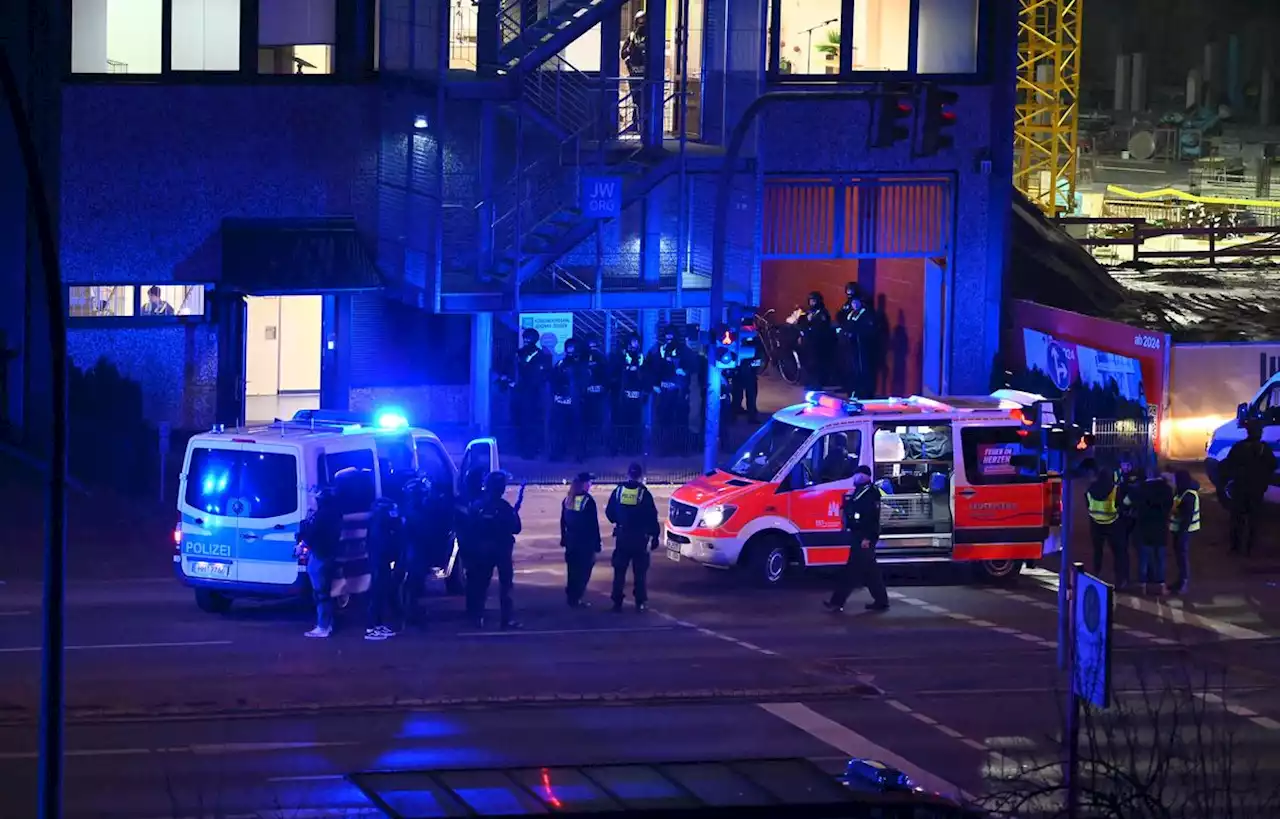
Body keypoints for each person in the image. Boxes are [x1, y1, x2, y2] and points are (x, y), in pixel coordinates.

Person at [466, 471, 525, 629]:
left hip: (482, 551)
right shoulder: (504, 507)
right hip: (501, 551)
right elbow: (516, 528)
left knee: (481, 585)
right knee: (505, 586)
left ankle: (477, 617)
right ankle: (506, 619)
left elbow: (470, 527)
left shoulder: (477, 505)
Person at [825, 465, 888, 612]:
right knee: (871, 572)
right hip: (859, 535)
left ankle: (837, 602)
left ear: (866, 476)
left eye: (858, 474)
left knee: (852, 571)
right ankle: (881, 601)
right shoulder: (860, 492)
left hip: (864, 536)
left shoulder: (871, 493)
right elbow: (852, 508)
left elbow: (872, 518)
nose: (855, 477)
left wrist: (867, 537)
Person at [606, 462, 660, 612]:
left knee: (619, 571)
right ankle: (640, 602)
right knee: (640, 572)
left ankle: (617, 602)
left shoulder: (618, 491)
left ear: (628, 474)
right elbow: (652, 516)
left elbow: (609, 512)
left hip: (623, 536)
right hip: (639, 538)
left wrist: (619, 521)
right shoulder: (644, 493)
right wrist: (655, 536)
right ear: (640, 476)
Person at [1221, 423, 1276, 555]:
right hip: (1256, 489)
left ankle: (1236, 547)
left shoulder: (1238, 447)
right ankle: (1250, 548)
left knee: (1237, 519)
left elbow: (1228, 465)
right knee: (1254, 519)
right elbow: (1272, 465)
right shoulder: (1265, 449)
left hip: (1240, 487)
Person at [298, 486, 343, 638]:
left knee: (320, 592)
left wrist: (301, 544)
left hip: (320, 555)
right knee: (325, 591)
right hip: (329, 554)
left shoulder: (322, 515)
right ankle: (327, 624)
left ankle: (323, 626)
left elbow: (312, 534)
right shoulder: (335, 513)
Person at [1124, 467, 1174, 596]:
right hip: (1160, 529)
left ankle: (1143, 586)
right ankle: (1161, 586)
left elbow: (1126, 502)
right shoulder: (1167, 490)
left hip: (1143, 528)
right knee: (1160, 559)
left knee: (1143, 559)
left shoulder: (1140, 489)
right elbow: (1170, 507)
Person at [505, 327, 551, 459]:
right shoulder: (537, 354)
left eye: (527, 338)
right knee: (528, 422)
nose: (526, 340)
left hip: (526, 394)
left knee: (525, 422)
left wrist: (512, 382)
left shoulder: (528, 354)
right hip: (530, 394)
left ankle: (527, 450)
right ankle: (529, 449)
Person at [649, 326, 694, 455]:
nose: (668, 339)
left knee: (681, 421)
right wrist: (655, 384)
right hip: (664, 392)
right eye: (666, 336)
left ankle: (682, 449)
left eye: (671, 336)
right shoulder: (659, 350)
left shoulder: (684, 350)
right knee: (664, 421)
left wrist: (684, 371)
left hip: (679, 392)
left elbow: (692, 367)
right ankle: (663, 449)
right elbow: (654, 368)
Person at [1082, 459, 1127, 586]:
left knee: (1098, 551)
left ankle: (1097, 574)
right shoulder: (1115, 489)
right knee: (1118, 553)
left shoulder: (1090, 488)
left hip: (1096, 524)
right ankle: (1119, 579)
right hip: (1113, 524)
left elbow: (1088, 504)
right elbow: (1120, 506)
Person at [365, 493, 404, 640]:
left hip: (382, 563)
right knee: (377, 595)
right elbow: (385, 545)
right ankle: (371, 628)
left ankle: (378, 625)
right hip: (379, 563)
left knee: (380, 595)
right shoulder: (379, 526)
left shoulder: (380, 523)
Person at [560, 472, 602, 608]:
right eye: (589, 482)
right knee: (584, 571)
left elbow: (562, 521)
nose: (591, 485)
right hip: (584, 543)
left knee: (572, 570)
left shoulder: (568, 499)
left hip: (571, 541)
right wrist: (597, 543)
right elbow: (593, 524)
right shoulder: (588, 501)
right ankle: (577, 597)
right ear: (584, 484)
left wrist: (563, 538)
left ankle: (571, 597)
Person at [456, 467, 487, 622]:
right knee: (478, 580)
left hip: (469, 544)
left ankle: (473, 610)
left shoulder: (462, 498)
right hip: (477, 545)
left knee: (473, 579)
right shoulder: (481, 499)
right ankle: (476, 611)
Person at [835, 283, 877, 398]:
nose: (853, 304)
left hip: (861, 347)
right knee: (850, 368)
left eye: (855, 302)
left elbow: (867, 330)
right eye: (852, 303)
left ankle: (863, 392)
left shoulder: (866, 314)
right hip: (850, 346)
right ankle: (852, 390)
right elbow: (844, 322)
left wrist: (854, 334)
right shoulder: (851, 313)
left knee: (861, 369)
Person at [549, 337, 586, 461]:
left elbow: (584, 383)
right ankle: (557, 454)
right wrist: (557, 394)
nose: (570, 350)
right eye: (568, 347)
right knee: (559, 429)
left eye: (572, 347)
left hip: (575, 401)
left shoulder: (581, 366)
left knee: (578, 430)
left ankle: (580, 455)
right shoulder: (560, 364)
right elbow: (553, 381)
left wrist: (580, 396)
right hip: (561, 402)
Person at [611, 333, 648, 455]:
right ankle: (620, 447)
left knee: (635, 422)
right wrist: (626, 367)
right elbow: (614, 375)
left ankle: (634, 448)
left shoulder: (640, 357)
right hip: (622, 397)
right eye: (632, 342)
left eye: (636, 342)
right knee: (622, 422)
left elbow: (643, 376)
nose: (635, 345)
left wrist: (638, 367)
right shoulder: (619, 356)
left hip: (636, 397)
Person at [1168, 469, 1201, 594]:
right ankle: (1180, 581)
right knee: (1179, 557)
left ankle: (1184, 582)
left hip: (1184, 531)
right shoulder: (1183, 491)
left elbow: (1186, 516)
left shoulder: (1189, 495)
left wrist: (1181, 532)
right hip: (1180, 530)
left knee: (1182, 557)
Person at [730, 314, 766, 423]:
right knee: (750, 392)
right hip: (749, 369)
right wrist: (757, 365)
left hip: (739, 368)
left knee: (737, 392)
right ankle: (751, 416)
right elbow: (760, 351)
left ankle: (734, 415)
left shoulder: (737, 332)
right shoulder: (753, 333)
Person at [620, 10, 648, 136]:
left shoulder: (650, 37)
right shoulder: (632, 36)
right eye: (639, 22)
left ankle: (646, 125)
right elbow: (623, 54)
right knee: (636, 99)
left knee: (646, 100)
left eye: (643, 21)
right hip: (634, 73)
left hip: (646, 74)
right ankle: (635, 124)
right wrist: (631, 44)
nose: (641, 25)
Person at [799, 291, 834, 390]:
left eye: (814, 301)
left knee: (816, 364)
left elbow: (822, 327)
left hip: (818, 343)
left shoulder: (822, 313)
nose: (812, 303)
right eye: (810, 301)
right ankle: (810, 382)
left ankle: (817, 384)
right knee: (808, 363)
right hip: (808, 342)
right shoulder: (810, 312)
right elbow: (802, 323)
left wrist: (811, 323)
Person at [582, 336, 610, 451]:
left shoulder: (603, 358)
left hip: (600, 394)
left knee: (600, 419)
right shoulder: (583, 358)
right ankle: (589, 444)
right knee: (588, 419)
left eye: (595, 346)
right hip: (587, 395)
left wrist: (602, 387)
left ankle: (600, 444)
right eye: (591, 346)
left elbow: (607, 376)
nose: (593, 349)